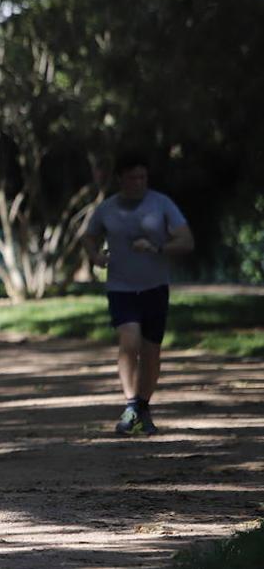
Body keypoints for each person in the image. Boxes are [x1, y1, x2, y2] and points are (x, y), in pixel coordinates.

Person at [82, 150, 193, 436]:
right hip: (121, 287)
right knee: (129, 339)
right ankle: (131, 404)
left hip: (155, 287)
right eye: (132, 178)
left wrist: (157, 248)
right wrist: (95, 256)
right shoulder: (107, 208)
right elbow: (89, 235)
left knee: (151, 350)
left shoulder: (161, 204)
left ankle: (143, 408)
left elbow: (186, 240)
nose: (139, 182)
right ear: (120, 178)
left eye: (143, 177)